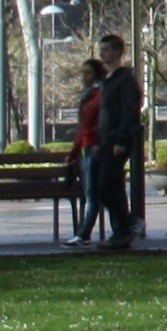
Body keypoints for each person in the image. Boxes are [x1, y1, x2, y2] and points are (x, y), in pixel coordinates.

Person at [95, 31, 143, 247]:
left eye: (106, 50)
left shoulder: (125, 80)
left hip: (117, 141)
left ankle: (126, 225)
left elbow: (129, 111)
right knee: (109, 186)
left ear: (117, 52)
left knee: (106, 185)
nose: (102, 54)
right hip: (106, 141)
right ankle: (122, 230)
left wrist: (121, 140)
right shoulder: (108, 80)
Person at [67, 61, 108, 242]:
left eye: (88, 73)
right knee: (92, 192)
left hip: (94, 147)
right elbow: (83, 127)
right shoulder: (88, 96)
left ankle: (84, 233)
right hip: (86, 147)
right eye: (83, 73)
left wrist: (99, 142)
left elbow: (97, 124)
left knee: (93, 193)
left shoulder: (100, 95)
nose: (84, 77)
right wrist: (74, 152)